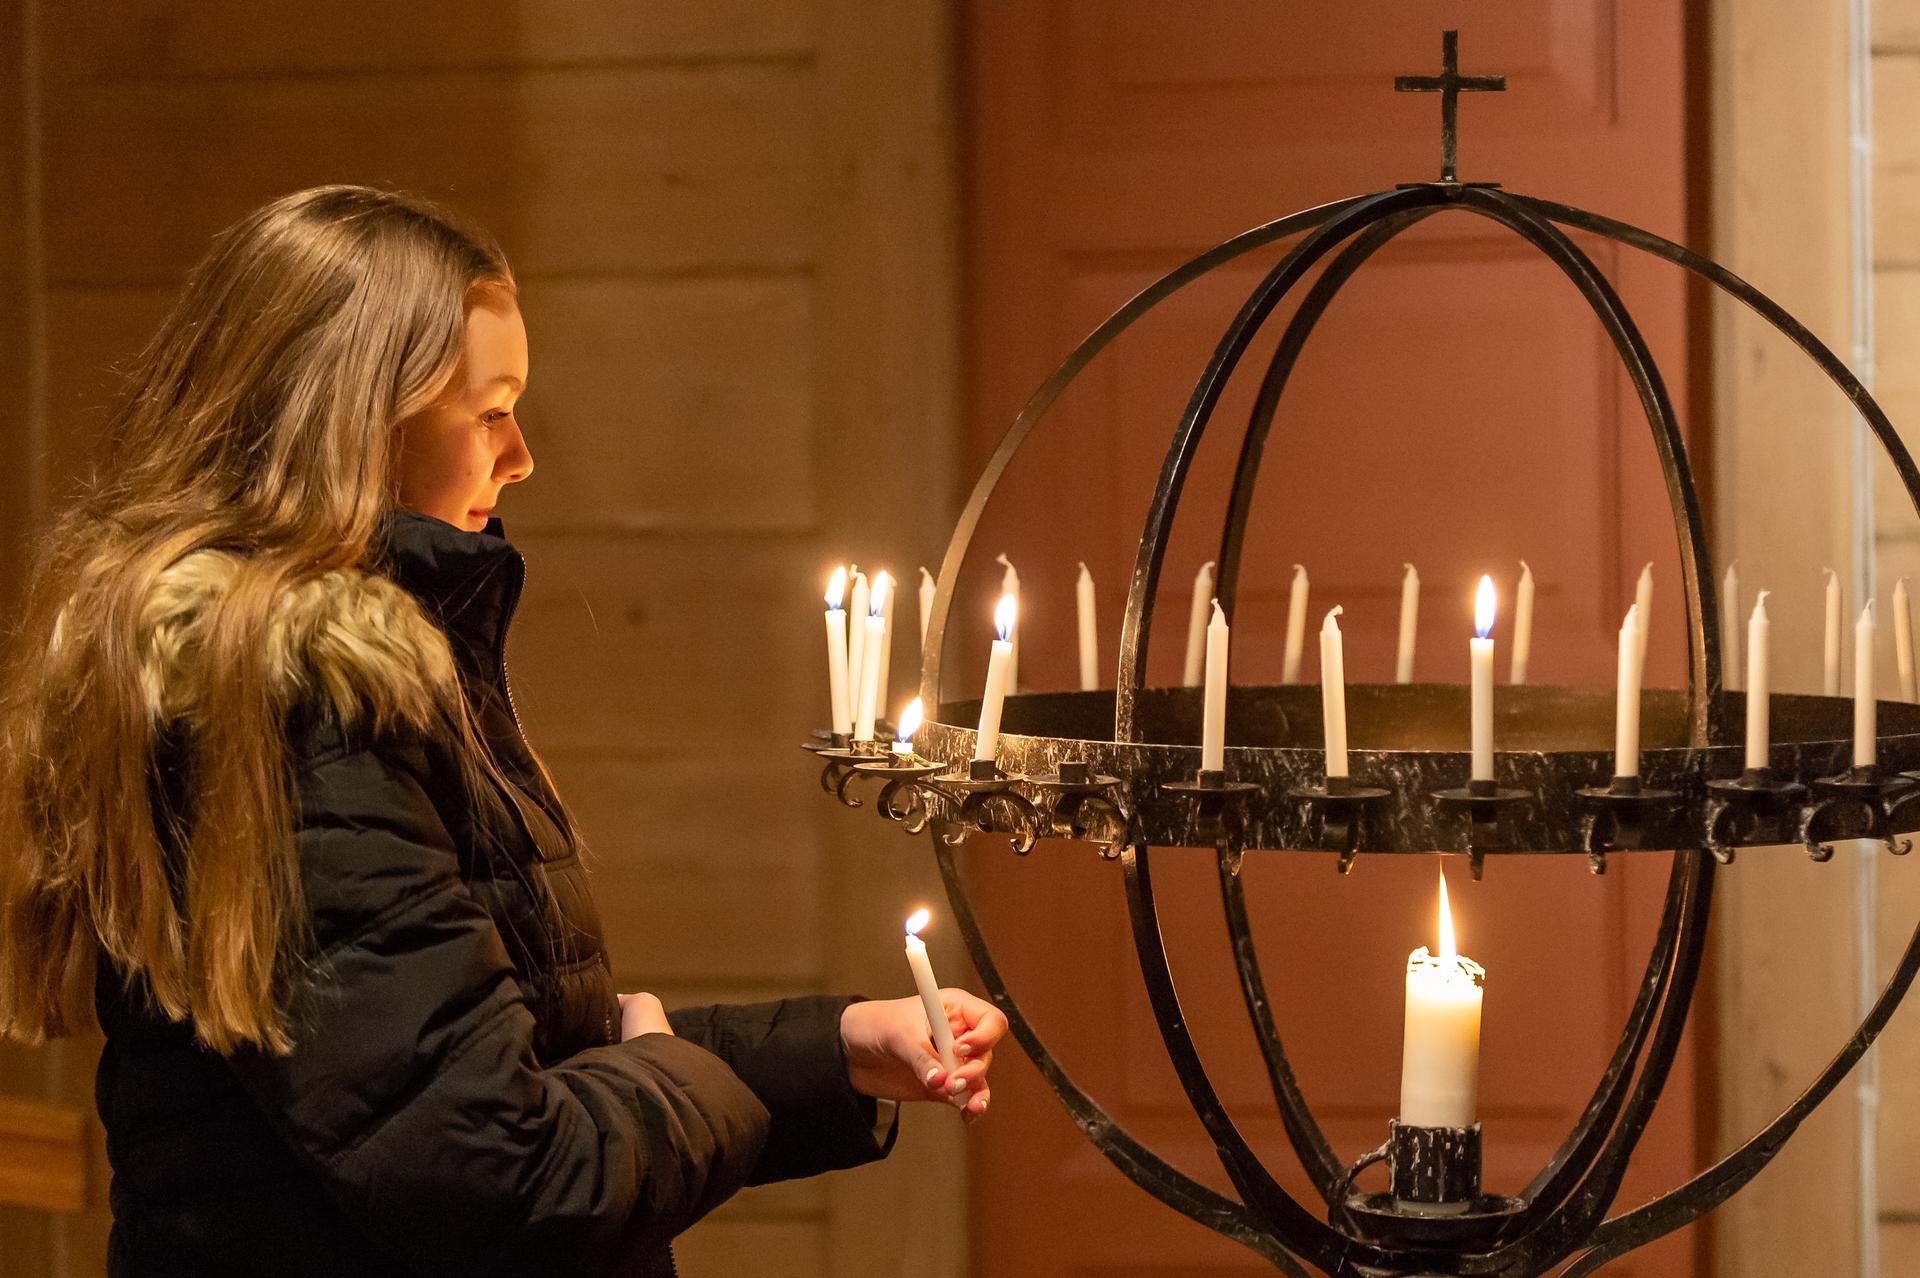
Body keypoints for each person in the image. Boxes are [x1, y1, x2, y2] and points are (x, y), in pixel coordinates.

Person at [0, 185, 1006, 1278]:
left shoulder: (351, 669)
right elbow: (504, 1174)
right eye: (490, 411)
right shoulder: (287, 704)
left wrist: (835, 1051)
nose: (520, 455)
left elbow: (515, 1062)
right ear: (355, 422)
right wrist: (668, 1069)